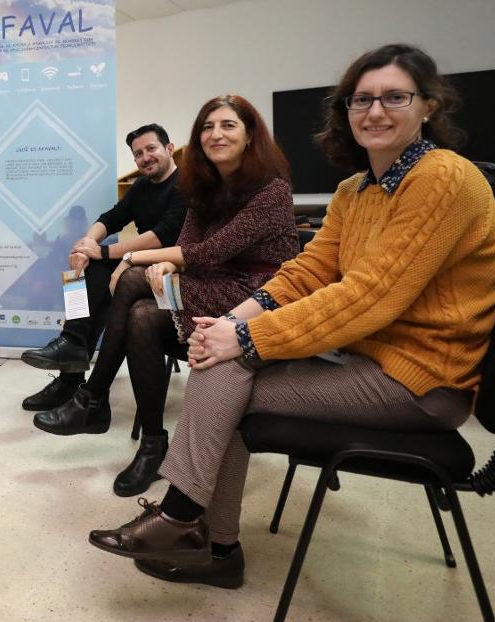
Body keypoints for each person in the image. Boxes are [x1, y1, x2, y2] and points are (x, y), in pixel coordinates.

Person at [87, 44, 495, 590]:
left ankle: (190, 526)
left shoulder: (442, 179)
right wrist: (233, 324)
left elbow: (366, 296)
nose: (375, 111)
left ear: (428, 105)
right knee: (220, 364)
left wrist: (245, 337)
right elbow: (305, 272)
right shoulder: (355, 190)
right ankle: (199, 535)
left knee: (223, 379)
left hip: (420, 380)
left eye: (394, 98)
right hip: (361, 358)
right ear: (346, 112)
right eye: (362, 100)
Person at [34, 95, 298, 499]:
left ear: (250, 137)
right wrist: (88, 243)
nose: (215, 134)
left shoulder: (269, 191)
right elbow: (122, 220)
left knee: (128, 280)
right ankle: (90, 373)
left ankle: (90, 393)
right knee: (100, 286)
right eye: (208, 127)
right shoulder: (198, 187)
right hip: (200, 280)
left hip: (252, 298)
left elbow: (196, 248)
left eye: (227, 125)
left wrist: (124, 257)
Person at [19, 125, 189, 412]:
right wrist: (85, 245)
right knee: (86, 275)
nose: (145, 157)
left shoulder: (186, 185)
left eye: (151, 149)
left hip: (173, 274)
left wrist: (105, 251)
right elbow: (111, 217)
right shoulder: (141, 187)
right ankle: (71, 347)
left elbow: (163, 234)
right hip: (141, 263)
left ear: (169, 149)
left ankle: (71, 375)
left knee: (101, 284)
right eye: (138, 153)